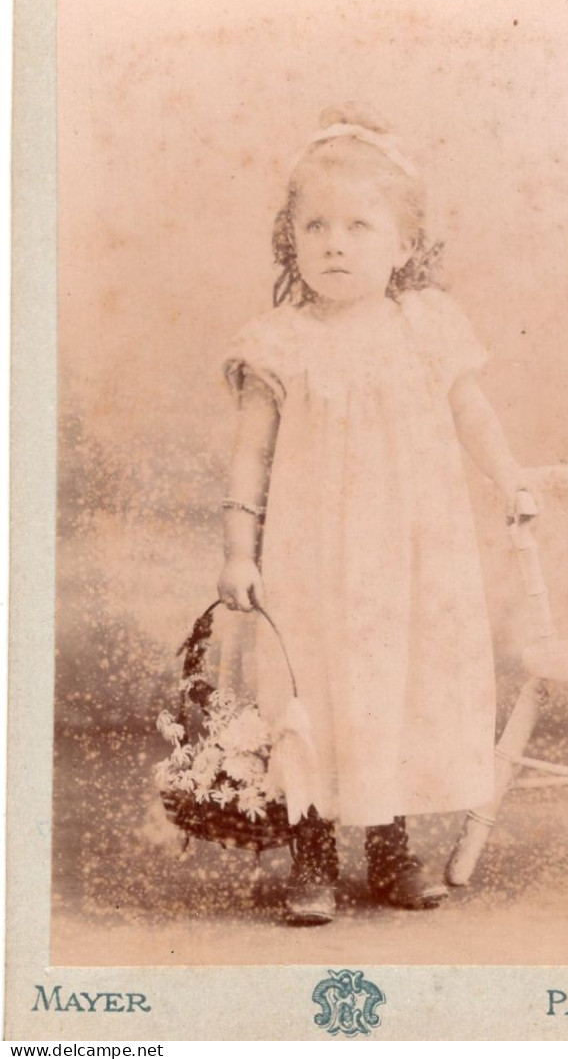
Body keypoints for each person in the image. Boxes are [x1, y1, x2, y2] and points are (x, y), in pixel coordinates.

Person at [217, 104, 538, 925]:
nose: (334, 242)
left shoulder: (426, 328)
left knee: (394, 685)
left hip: (410, 556)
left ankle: (390, 847)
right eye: (314, 225)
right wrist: (238, 553)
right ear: (289, 238)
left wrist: (510, 483)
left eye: (360, 226)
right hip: (310, 558)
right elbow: (249, 458)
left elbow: (473, 415)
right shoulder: (280, 343)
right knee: (316, 692)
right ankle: (313, 853)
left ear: (402, 246)